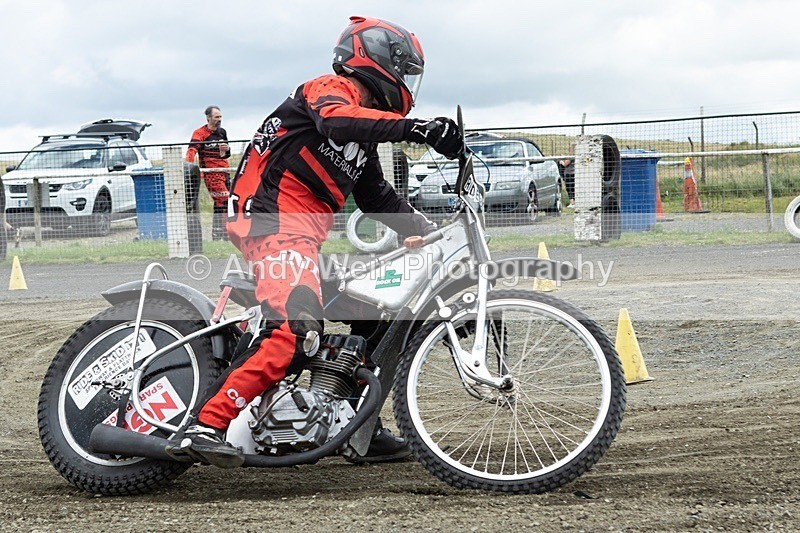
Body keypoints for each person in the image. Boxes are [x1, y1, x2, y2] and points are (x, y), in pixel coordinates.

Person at [180, 16, 463, 468]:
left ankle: (354, 422)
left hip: (302, 237)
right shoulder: (326, 89)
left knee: (373, 311)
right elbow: (336, 120)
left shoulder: (360, 139)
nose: (408, 84)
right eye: (405, 71)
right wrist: (418, 129)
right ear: (376, 59)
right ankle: (206, 424)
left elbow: (376, 198)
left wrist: (430, 231)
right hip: (269, 224)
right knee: (294, 330)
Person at [186, 106, 231, 240]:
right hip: (211, 174)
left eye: (220, 117)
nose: (219, 120)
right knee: (224, 200)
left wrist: (227, 149)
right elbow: (191, 150)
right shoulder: (200, 133)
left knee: (223, 203)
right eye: (216, 117)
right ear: (208, 117)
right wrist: (187, 166)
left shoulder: (222, 132)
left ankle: (220, 234)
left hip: (225, 171)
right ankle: (222, 233)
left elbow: (226, 155)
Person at [558, 144, 575, 209]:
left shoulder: (571, 157)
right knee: (573, 188)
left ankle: (572, 203)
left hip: (569, 174)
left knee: (569, 188)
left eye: (570, 150)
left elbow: (565, 164)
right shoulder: (574, 156)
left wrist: (561, 161)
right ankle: (574, 202)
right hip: (573, 174)